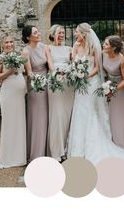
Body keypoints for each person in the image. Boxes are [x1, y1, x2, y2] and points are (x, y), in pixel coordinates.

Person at [67, 23, 124, 165]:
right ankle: (78, 148)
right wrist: (76, 74)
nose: (75, 35)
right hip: (80, 85)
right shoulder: (75, 47)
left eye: (77, 32)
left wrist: (85, 76)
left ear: (84, 34)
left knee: (90, 111)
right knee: (79, 111)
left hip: (91, 83)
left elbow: (97, 67)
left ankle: (92, 146)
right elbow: (73, 64)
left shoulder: (94, 47)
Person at [0, 34, 27, 169]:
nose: (10, 44)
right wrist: (9, 72)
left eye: (11, 41)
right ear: (2, 44)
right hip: (8, 94)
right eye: (7, 42)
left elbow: (24, 72)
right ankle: (9, 157)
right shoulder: (0, 58)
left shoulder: (18, 56)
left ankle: (19, 156)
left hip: (19, 95)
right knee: (10, 123)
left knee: (19, 123)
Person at [22, 25, 51, 163]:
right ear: (28, 37)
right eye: (35, 32)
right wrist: (38, 80)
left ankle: (47, 150)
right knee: (38, 117)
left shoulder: (44, 47)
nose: (39, 33)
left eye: (38, 31)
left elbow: (50, 65)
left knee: (47, 116)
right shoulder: (25, 51)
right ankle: (36, 152)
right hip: (36, 85)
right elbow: (29, 72)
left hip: (47, 84)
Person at [102, 35, 124, 154]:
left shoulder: (122, 60)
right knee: (112, 115)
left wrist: (113, 90)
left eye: (106, 44)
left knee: (121, 116)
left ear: (114, 47)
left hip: (122, 88)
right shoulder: (103, 54)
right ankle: (113, 142)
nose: (103, 46)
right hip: (111, 85)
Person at [47, 24, 75, 162]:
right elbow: (50, 63)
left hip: (68, 84)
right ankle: (56, 151)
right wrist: (56, 72)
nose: (62, 35)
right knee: (57, 116)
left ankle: (66, 148)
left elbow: (74, 62)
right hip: (55, 83)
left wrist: (69, 70)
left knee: (67, 115)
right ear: (53, 34)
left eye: (63, 33)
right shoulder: (48, 48)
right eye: (59, 32)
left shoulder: (69, 48)